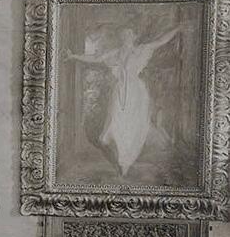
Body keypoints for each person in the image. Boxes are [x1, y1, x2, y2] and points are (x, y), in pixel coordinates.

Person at [68, 25, 181, 176]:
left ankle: (125, 162)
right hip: (120, 91)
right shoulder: (115, 53)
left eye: (129, 34)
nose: (125, 37)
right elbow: (95, 58)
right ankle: (122, 157)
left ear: (134, 36)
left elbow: (161, 40)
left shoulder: (142, 50)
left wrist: (178, 28)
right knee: (117, 122)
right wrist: (74, 56)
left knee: (133, 126)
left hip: (137, 93)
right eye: (123, 34)